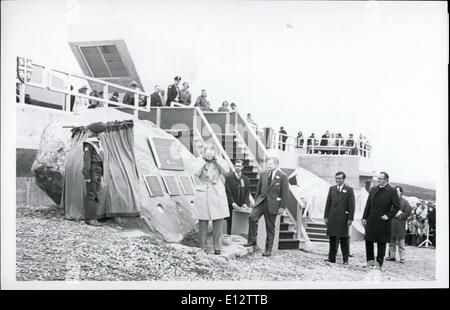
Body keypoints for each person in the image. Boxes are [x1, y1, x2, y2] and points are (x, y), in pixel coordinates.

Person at [244, 153, 289, 257]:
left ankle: (268, 250)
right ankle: (252, 241)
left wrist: (282, 207)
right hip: (261, 202)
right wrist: (256, 202)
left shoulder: (282, 177)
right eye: (267, 164)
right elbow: (258, 189)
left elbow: (285, 193)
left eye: (270, 164)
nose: (268, 165)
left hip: (273, 205)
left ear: (276, 164)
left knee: (270, 227)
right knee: (252, 217)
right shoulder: (263, 174)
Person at [192, 143, 230, 255]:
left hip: (216, 192)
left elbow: (226, 171)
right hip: (203, 192)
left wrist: (217, 160)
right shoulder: (199, 161)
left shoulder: (219, 160)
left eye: (211, 154)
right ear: (203, 153)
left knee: (218, 221)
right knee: (203, 222)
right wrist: (203, 161)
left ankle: (217, 247)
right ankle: (202, 247)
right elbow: (195, 173)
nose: (209, 157)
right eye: (207, 154)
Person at [362, 172, 401, 269]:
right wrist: (364, 217)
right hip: (371, 219)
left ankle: (379, 264)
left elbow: (397, 207)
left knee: (381, 242)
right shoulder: (373, 189)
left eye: (381, 178)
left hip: (383, 221)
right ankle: (370, 263)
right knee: (369, 241)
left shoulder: (392, 191)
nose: (379, 180)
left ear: (386, 180)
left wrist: (388, 216)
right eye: (378, 178)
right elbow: (368, 204)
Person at [323, 171, 355, 264]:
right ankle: (331, 258)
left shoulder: (349, 190)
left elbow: (352, 205)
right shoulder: (332, 189)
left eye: (340, 178)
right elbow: (328, 203)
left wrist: (350, 218)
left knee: (343, 239)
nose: (338, 180)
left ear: (344, 179)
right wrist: (326, 215)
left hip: (343, 218)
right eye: (336, 178)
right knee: (332, 238)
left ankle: (345, 259)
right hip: (332, 217)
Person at [82, 122, 107, 226]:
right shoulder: (89, 143)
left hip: (98, 169)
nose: (104, 134)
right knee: (91, 194)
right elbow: (86, 160)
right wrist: (87, 175)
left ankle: (94, 217)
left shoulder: (97, 142)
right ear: (98, 132)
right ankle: (89, 218)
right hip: (92, 170)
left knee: (95, 193)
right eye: (103, 132)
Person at [386, 186, 412, 263]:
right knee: (391, 241)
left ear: (401, 192)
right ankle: (392, 256)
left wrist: (401, 215)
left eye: (397, 191)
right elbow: (386, 210)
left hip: (400, 224)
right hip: (392, 223)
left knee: (401, 242)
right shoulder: (390, 201)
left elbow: (408, 212)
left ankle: (402, 258)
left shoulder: (405, 202)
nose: (395, 193)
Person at [224, 160, 251, 234]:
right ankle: (229, 237)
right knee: (230, 223)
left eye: (239, 166)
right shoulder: (229, 178)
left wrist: (245, 203)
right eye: (236, 166)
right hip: (231, 205)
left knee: (240, 224)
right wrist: (232, 202)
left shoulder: (246, 179)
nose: (237, 167)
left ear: (242, 167)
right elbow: (228, 192)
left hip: (241, 206)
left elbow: (247, 193)